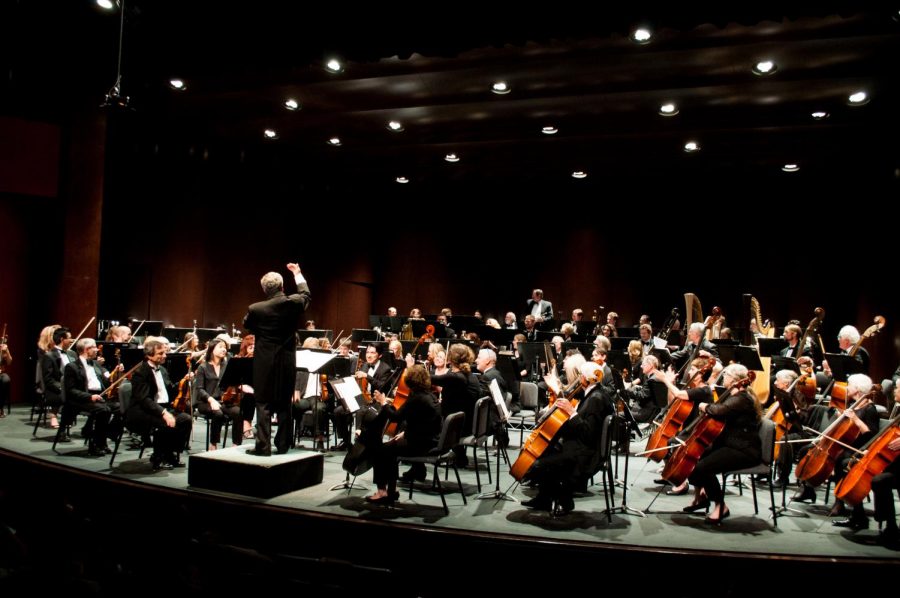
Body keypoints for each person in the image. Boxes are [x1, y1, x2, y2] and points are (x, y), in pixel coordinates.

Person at [521, 362, 615, 514]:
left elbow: (588, 434)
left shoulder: (596, 399)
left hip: (585, 454)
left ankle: (564, 500)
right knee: (545, 451)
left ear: (585, 378)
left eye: (581, 376)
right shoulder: (594, 392)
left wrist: (572, 412)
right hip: (579, 446)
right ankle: (544, 498)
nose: (579, 379)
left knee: (539, 464)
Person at [679, 363, 761, 524]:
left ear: (735, 380)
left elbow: (719, 410)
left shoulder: (742, 399)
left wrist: (704, 406)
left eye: (727, 376)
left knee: (703, 467)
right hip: (729, 444)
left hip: (744, 449)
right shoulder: (734, 395)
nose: (724, 378)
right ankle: (702, 496)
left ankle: (720, 506)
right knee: (692, 459)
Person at [243, 263, 311, 456]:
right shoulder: (293, 303)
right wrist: (297, 274)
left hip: (264, 362)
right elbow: (306, 295)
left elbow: (247, 324)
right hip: (287, 360)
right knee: (284, 403)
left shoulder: (256, 308)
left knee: (263, 403)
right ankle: (283, 445)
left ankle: (262, 447)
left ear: (264, 289)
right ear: (282, 286)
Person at [364, 364, 442, 504]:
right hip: (430, 440)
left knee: (380, 450)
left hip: (421, 445)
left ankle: (383, 492)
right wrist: (406, 432)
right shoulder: (429, 395)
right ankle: (391, 492)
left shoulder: (416, 398)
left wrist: (383, 402)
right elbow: (423, 420)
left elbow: (395, 417)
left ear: (410, 381)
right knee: (390, 448)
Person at [126, 337, 193, 470]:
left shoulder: (162, 370)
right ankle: (158, 456)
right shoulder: (140, 372)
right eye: (160, 353)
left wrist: (183, 382)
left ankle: (171, 453)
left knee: (186, 419)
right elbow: (144, 400)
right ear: (149, 356)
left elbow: (170, 390)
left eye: (164, 352)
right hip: (142, 410)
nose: (165, 355)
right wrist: (164, 413)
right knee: (165, 423)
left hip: (162, 407)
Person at [61, 338, 114, 455]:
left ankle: (106, 437)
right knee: (103, 410)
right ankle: (96, 443)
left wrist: (115, 374)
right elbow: (71, 391)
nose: (97, 350)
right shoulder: (71, 367)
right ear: (86, 349)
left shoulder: (95, 364)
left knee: (119, 407)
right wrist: (89, 397)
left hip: (99, 396)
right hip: (81, 399)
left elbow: (106, 380)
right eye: (94, 347)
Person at [193, 338, 243, 449]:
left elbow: (233, 382)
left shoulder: (227, 365)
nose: (224, 349)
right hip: (205, 401)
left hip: (223, 400)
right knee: (218, 413)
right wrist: (211, 400)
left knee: (238, 412)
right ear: (212, 349)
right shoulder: (203, 367)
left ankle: (236, 444)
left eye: (225, 347)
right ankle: (213, 444)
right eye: (220, 347)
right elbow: (199, 389)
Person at [0, 337, 11, 417]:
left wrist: (6, 351)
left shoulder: (3, 351)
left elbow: (9, 362)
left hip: (1, 373)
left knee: (5, 379)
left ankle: (1, 408)